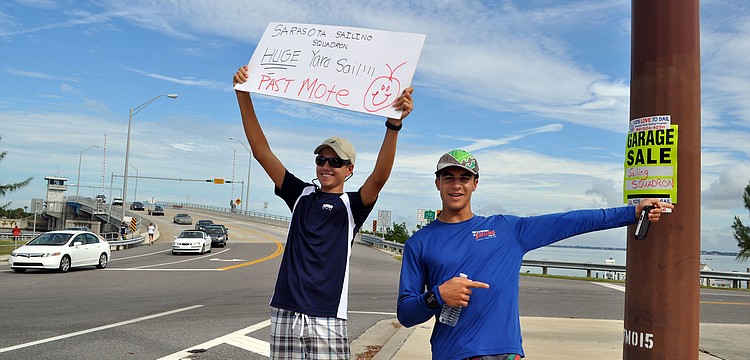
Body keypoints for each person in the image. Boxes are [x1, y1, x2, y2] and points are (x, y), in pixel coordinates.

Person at [396, 149, 673, 360]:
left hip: (504, 352)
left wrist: (631, 212)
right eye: (449, 178)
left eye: (464, 178)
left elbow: (570, 221)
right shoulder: (419, 243)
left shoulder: (506, 229)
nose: (457, 185)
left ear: (475, 184)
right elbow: (406, 313)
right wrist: (438, 296)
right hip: (450, 354)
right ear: (438, 183)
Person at [233, 65, 414, 359]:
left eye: (336, 162)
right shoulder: (300, 194)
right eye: (322, 159)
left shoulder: (353, 205)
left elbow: (379, 177)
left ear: (349, 169)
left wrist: (394, 124)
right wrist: (243, 94)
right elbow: (262, 152)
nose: (326, 166)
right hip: (286, 311)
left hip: (327, 315)